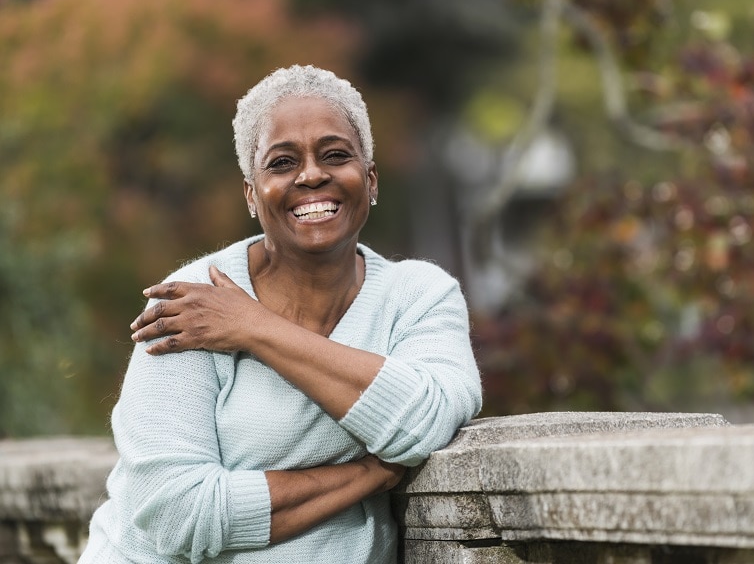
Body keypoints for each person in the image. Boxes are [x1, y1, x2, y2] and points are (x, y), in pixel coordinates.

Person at [79, 64, 483, 563]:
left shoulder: (419, 296)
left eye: (335, 155)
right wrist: (365, 474)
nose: (312, 175)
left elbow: (425, 422)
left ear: (370, 181)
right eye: (282, 162)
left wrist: (254, 327)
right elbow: (175, 513)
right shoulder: (192, 301)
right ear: (252, 193)